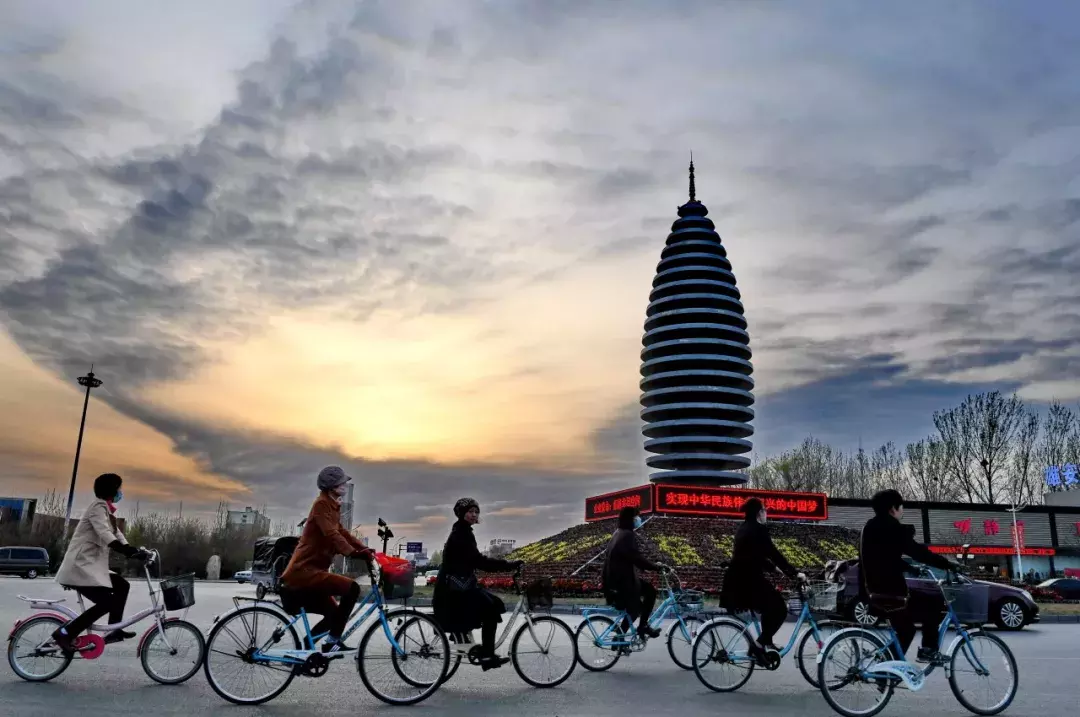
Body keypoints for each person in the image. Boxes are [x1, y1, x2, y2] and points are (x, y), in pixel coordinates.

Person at [279, 466, 374, 654]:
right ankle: (332, 641)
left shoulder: (331, 506)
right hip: (304, 572)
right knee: (352, 588)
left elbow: (342, 532)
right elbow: (331, 535)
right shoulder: (321, 505)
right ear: (331, 486)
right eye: (342, 483)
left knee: (334, 614)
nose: (345, 485)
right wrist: (352, 553)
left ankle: (307, 648)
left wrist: (363, 549)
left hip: (313, 572)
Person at [53, 473, 150, 653]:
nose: (121, 492)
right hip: (79, 568)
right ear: (112, 490)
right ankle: (65, 633)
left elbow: (116, 534)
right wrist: (126, 551)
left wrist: (134, 550)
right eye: (119, 488)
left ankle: (114, 630)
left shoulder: (106, 510)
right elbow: (105, 534)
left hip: (89, 568)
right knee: (106, 603)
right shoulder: (97, 507)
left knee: (122, 585)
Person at [860, 489, 956, 663]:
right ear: (893, 508)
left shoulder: (870, 527)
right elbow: (918, 552)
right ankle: (928, 650)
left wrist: (911, 568)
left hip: (873, 590)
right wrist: (947, 563)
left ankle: (886, 667)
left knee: (906, 630)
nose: (902, 511)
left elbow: (884, 557)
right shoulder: (891, 527)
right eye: (901, 506)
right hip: (890, 593)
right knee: (934, 603)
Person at [432, 498, 523, 671]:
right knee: (490, 608)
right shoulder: (461, 534)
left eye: (476, 512)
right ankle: (487, 655)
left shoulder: (463, 531)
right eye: (470, 511)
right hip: (454, 591)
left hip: (459, 587)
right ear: (461, 513)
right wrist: (508, 565)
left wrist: (504, 565)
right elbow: (479, 561)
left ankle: (463, 634)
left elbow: (473, 560)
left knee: (494, 603)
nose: (474, 515)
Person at [720, 498, 804, 654]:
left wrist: (773, 569)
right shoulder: (759, 530)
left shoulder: (743, 528)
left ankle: (767, 643)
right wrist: (794, 573)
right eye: (765, 510)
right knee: (780, 609)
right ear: (759, 513)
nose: (766, 513)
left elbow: (753, 554)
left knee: (769, 607)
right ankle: (759, 645)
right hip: (749, 581)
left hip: (736, 580)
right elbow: (773, 553)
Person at [601, 506, 667, 639]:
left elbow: (630, 556)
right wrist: (655, 567)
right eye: (637, 516)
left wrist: (648, 566)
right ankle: (635, 630)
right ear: (630, 518)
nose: (639, 519)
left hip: (616, 579)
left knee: (645, 595)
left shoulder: (618, 532)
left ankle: (634, 630)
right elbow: (636, 557)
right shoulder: (627, 535)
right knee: (638, 604)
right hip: (622, 581)